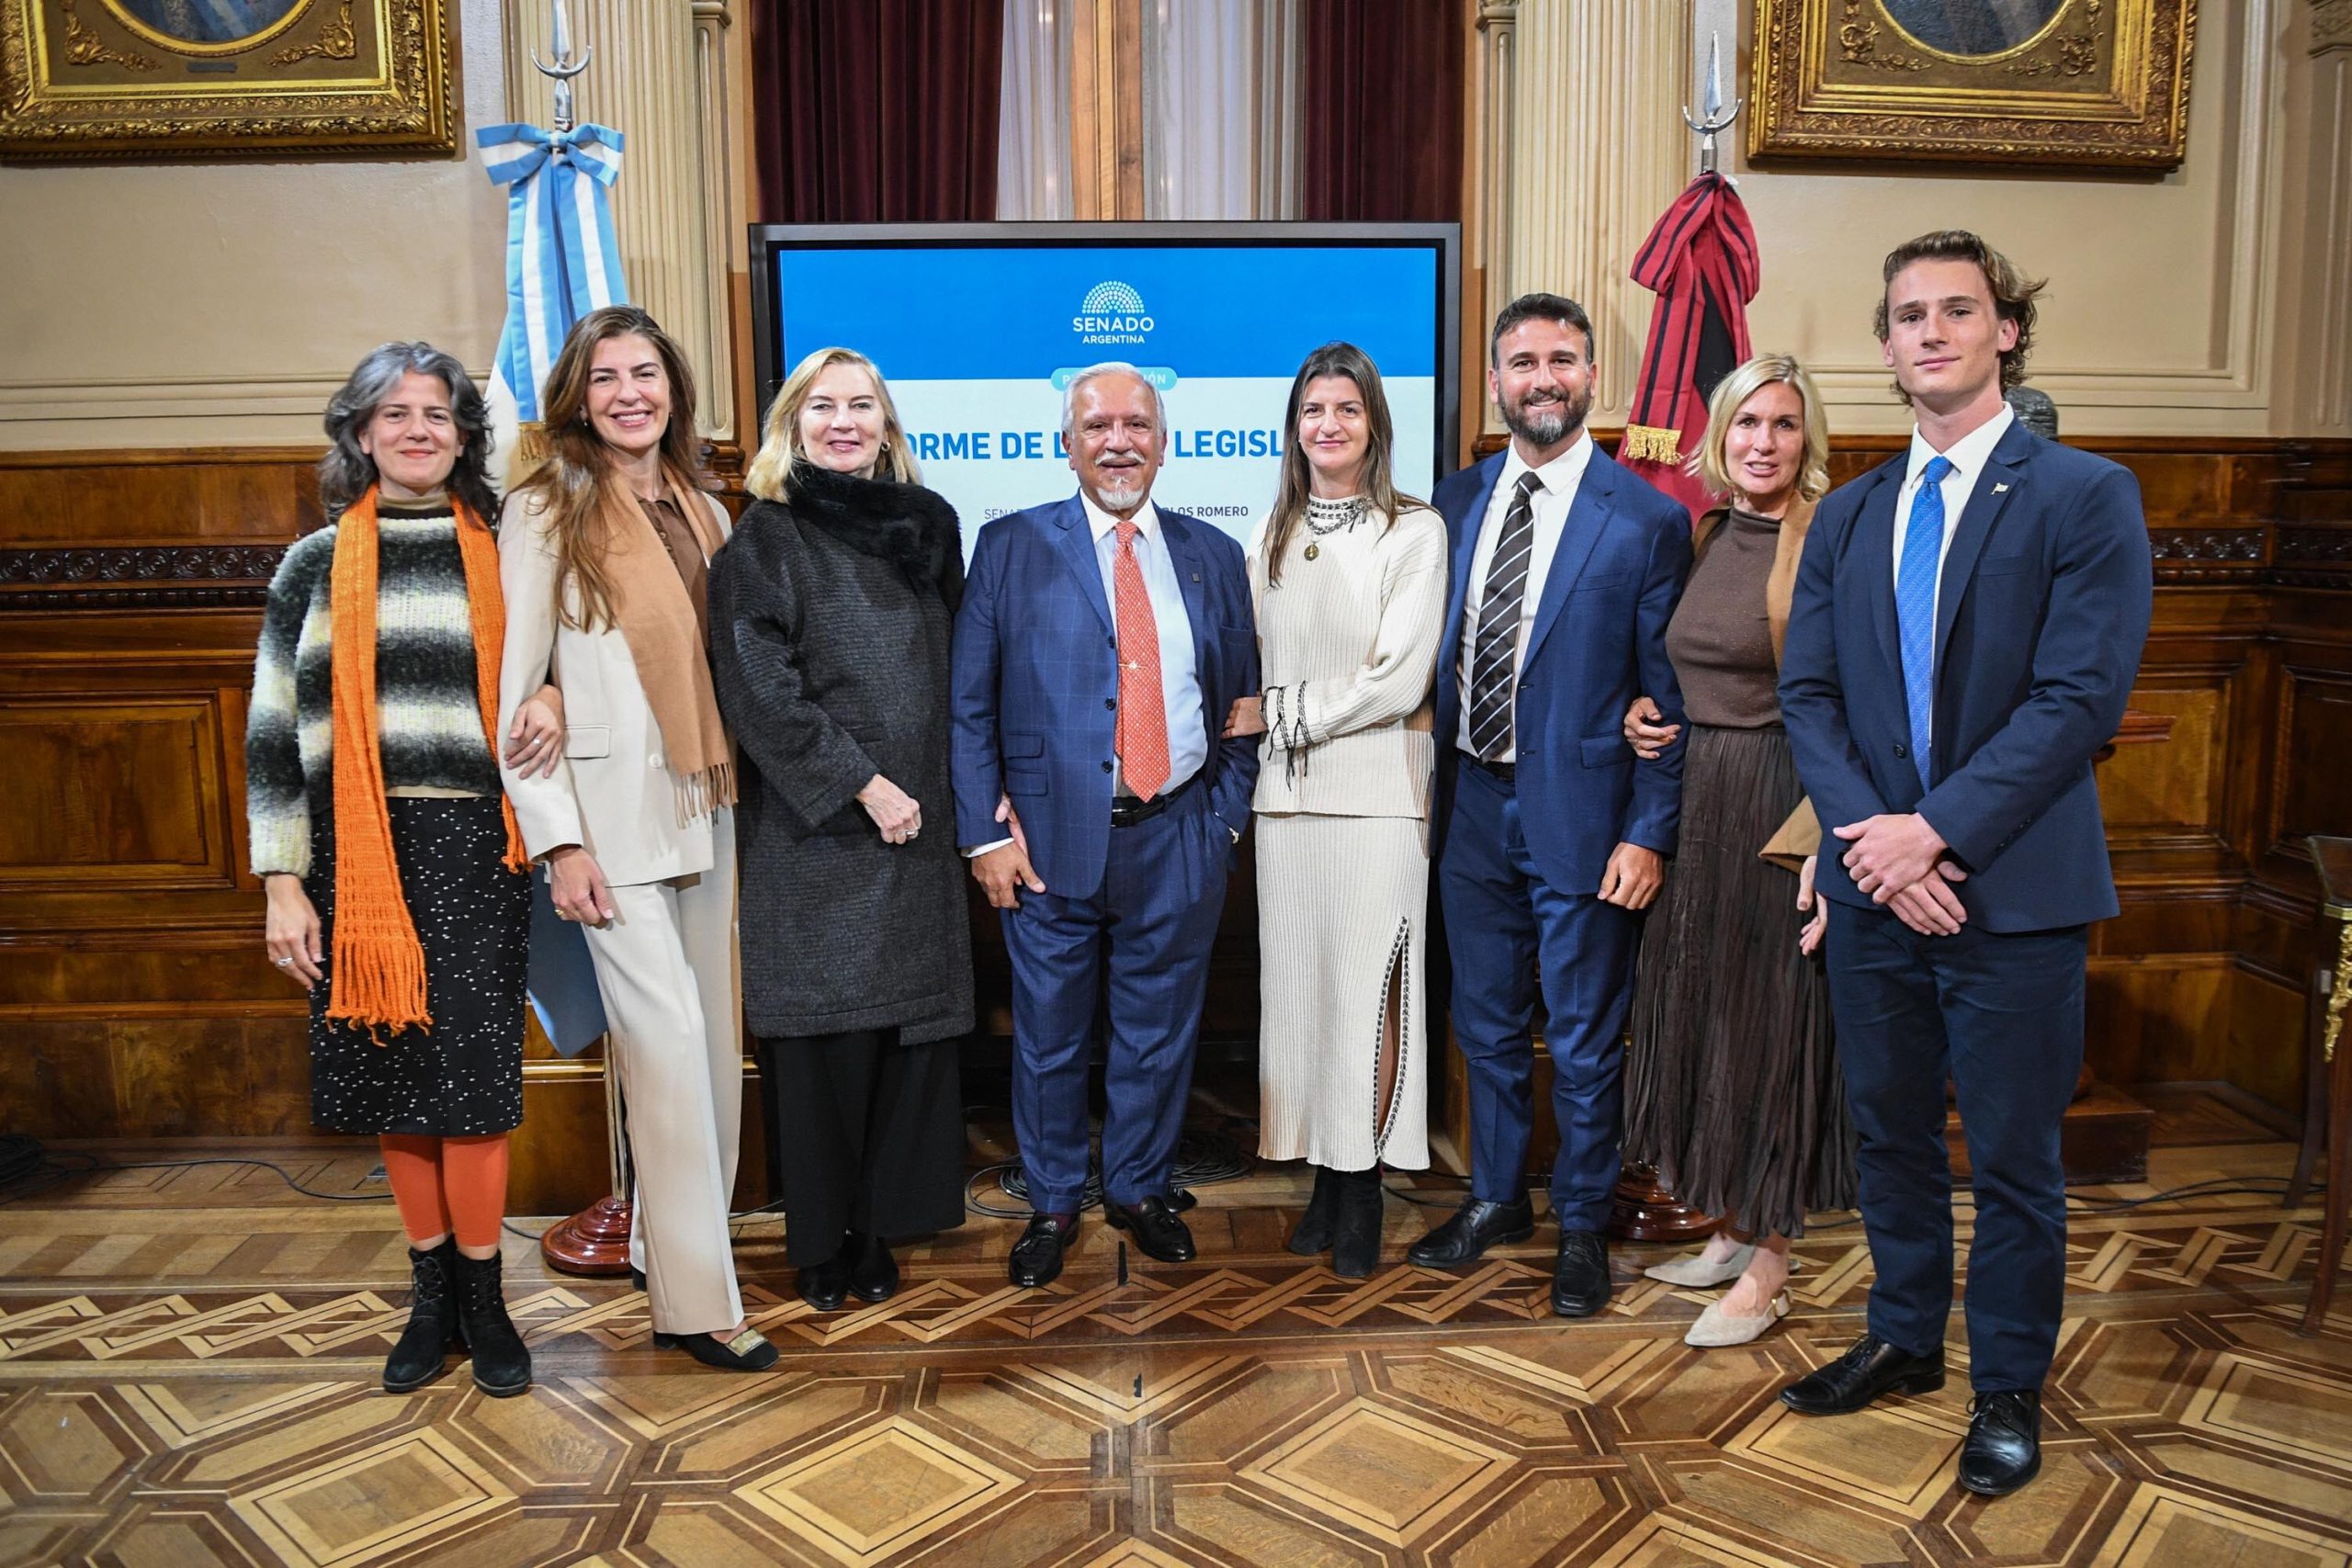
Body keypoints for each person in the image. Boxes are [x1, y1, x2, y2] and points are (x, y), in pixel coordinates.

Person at [1775, 231, 2152, 1496]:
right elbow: (1811, 695)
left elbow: (2077, 698)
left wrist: (1929, 832)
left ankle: (2004, 1385)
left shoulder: (2083, 493)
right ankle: (1900, 1336)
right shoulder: (1849, 512)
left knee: (2013, 1156)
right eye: (1907, 315)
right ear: (1884, 347)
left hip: (2016, 890)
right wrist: (1875, 847)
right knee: (1887, 1133)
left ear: (2005, 331)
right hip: (1877, 885)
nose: (1930, 331)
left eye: (1957, 310)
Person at [247, 342, 561, 1396]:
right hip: (353, 857)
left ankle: (486, 1292)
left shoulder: (511, 551)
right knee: (392, 1072)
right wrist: (283, 880)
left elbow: (559, 669)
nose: (418, 430)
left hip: (480, 847)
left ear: (466, 435)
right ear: (360, 433)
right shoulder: (310, 565)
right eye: (396, 414)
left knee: (473, 1085)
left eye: (437, 413)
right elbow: (272, 733)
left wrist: (554, 697)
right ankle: (429, 1293)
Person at [496, 304, 777, 1372]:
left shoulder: (709, 506)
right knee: (661, 1057)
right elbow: (520, 691)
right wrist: (557, 842)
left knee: (711, 1057)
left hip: (707, 804)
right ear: (579, 393)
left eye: (646, 375)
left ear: (673, 388)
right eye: (607, 377)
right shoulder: (544, 509)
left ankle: (673, 1252)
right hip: (607, 828)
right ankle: (700, 1305)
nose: (629, 394)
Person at [950, 362, 1261, 1290]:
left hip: (1179, 835)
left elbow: (1243, 703)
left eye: (1136, 423)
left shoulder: (1214, 555)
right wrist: (985, 835)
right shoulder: (1007, 548)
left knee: (1158, 1033)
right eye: (1097, 426)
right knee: (1048, 1036)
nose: (1117, 440)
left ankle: (1136, 1186)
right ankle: (1049, 1201)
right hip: (1046, 844)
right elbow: (969, 710)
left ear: (1163, 441)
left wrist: (1224, 822)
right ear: (1066, 443)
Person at [1413, 293, 1691, 1320]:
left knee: (1580, 1037)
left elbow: (1669, 700)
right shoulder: (1452, 503)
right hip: (1469, 808)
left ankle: (1579, 1224)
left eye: (1562, 361)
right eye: (1523, 362)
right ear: (1495, 382)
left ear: (1589, 380)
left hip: (1583, 816)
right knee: (1484, 1025)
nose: (1543, 378)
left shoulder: (1648, 520)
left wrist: (1647, 830)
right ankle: (1496, 1199)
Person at [708, 347, 972, 1313]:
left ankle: (881, 1228)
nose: (844, 422)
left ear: (887, 425)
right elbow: (759, 691)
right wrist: (862, 784)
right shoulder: (763, 540)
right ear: (793, 423)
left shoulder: (928, 526)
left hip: (922, 832)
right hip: (819, 834)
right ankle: (823, 1244)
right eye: (824, 406)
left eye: (863, 406)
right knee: (824, 1049)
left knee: (900, 1042)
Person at [1616, 354, 1856, 1348]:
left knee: (1773, 1035)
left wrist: (1825, 845)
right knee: (1707, 1019)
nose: (1763, 441)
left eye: (1783, 424)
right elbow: (1682, 667)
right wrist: (1642, 713)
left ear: (1809, 440)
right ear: (1721, 432)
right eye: (1747, 422)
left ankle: (1770, 1266)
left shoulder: (1827, 538)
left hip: (1777, 804)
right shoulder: (1708, 531)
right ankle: (1726, 1225)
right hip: (1700, 793)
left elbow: (1847, 698)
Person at [1225, 343, 1447, 1279]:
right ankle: (1324, 1173)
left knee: (1373, 996)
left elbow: (1396, 681)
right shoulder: (1265, 537)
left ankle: (1363, 1188)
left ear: (1374, 425)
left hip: (1379, 804)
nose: (1328, 425)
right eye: (1312, 410)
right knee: (1306, 1002)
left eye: (1346, 410)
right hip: (1287, 808)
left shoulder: (1414, 531)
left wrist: (1276, 714)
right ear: (1294, 427)